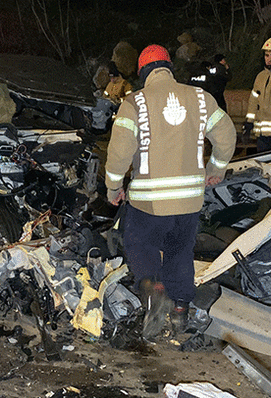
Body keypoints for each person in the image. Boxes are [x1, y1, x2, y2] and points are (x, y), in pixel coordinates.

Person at [105, 44, 235, 340]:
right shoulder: (201, 99)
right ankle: (180, 311)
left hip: (148, 200)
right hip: (189, 199)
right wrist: (215, 168)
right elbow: (227, 135)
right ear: (169, 68)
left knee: (140, 244)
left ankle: (153, 288)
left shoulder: (134, 102)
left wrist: (114, 187)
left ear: (142, 73)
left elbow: (120, 152)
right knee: (180, 251)